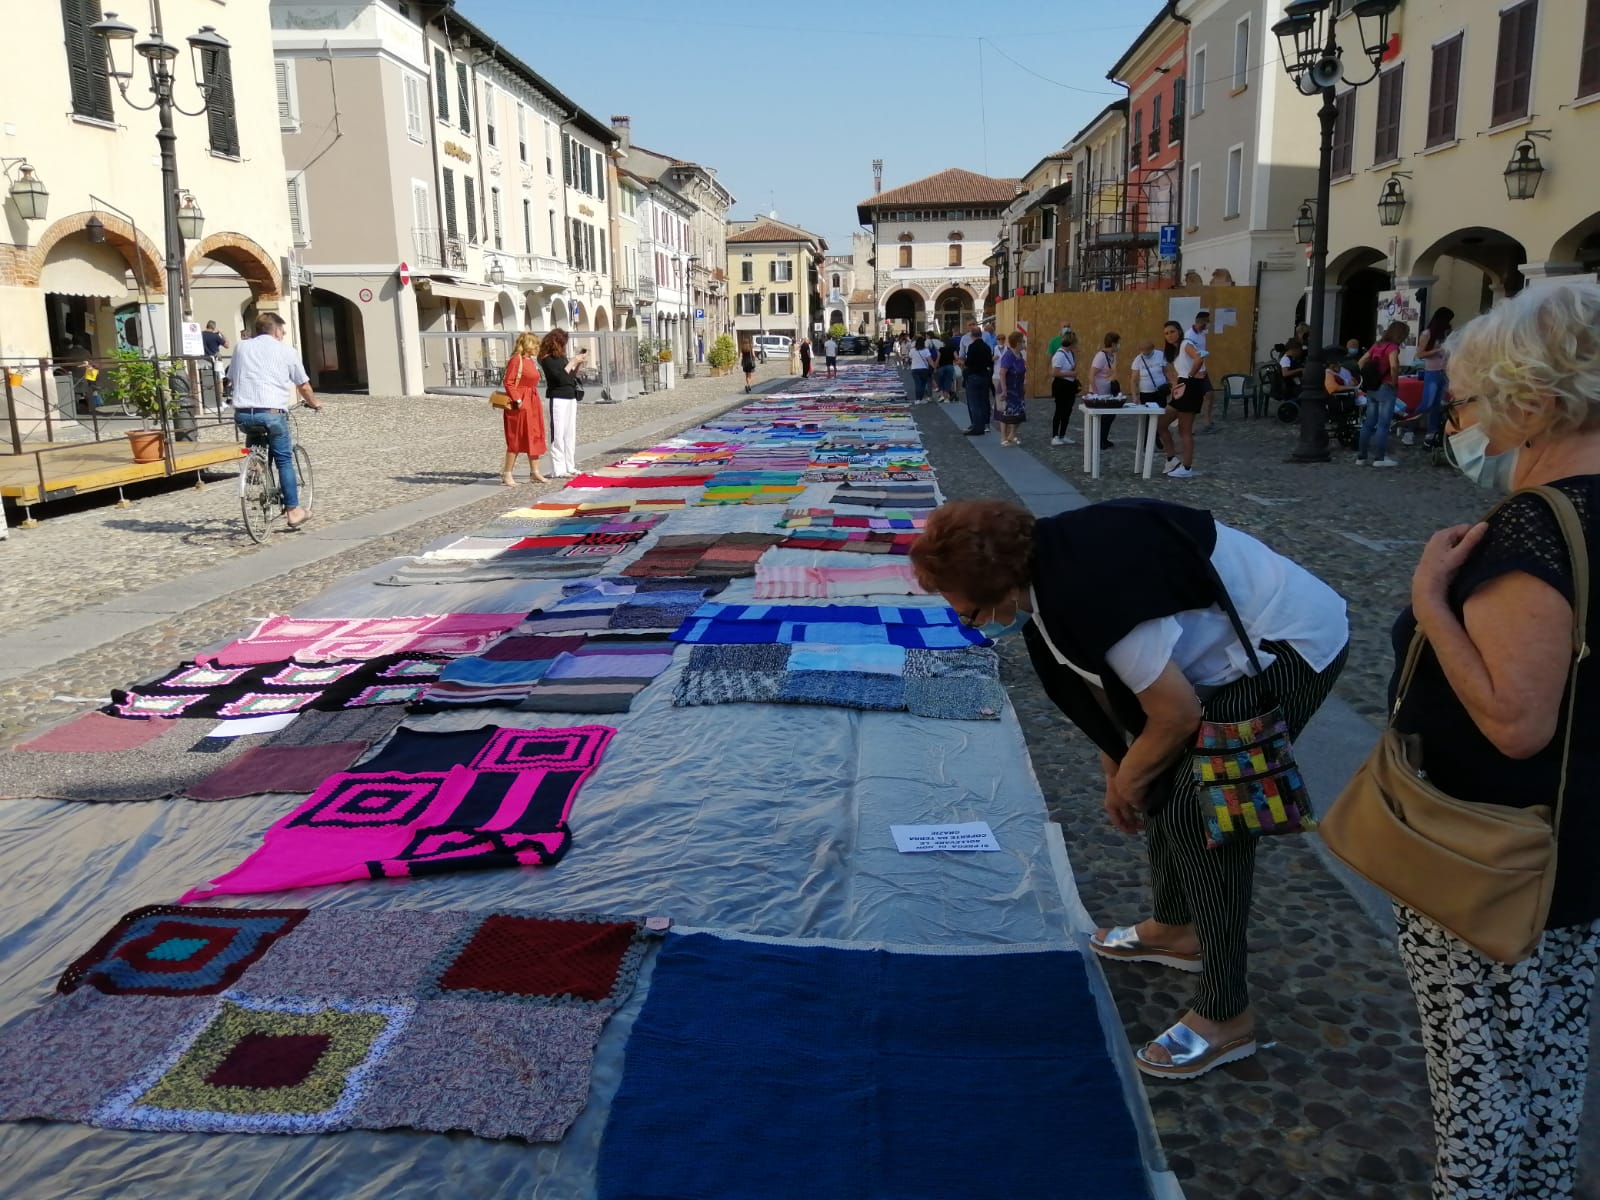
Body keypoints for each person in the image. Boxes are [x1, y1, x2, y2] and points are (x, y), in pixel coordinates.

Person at [910, 497, 1348, 1080]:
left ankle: (1227, 1012)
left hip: (1288, 645)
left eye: (970, 615)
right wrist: (1118, 763)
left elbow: (1173, 714)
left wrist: (1127, 782)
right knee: (1164, 780)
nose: (973, 627)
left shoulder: (1086, 591)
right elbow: (1108, 688)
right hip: (1211, 660)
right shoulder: (1044, 568)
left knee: (1208, 811)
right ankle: (1178, 928)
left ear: (1005, 589)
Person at [1387, 281, 1600, 1198]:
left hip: (1491, 853)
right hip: (1575, 841)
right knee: (1550, 1071)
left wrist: (1431, 604)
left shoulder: (1538, 527)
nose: (1459, 419)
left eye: (1469, 400)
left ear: (1535, 398)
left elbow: (1515, 721)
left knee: (1479, 1081)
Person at [227, 312, 322, 529]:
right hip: (272, 414)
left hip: (243, 414)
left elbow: (231, 377)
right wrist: (314, 403)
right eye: (283, 332)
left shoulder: (241, 347)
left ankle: (256, 464)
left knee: (255, 430)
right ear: (277, 331)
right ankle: (294, 511)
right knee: (284, 460)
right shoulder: (287, 351)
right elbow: (304, 386)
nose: (283, 335)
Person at [498, 331, 547, 486]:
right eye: (536, 344)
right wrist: (517, 399)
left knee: (534, 435)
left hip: (532, 402)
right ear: (528, 345)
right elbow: (509, 382)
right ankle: (507, 473)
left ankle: (535, 471)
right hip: (520, 404)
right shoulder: (516, 360)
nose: (538, 347)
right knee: (516, 438)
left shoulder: (529, 360)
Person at [1356, 320, 1407, 468]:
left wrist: (1366, 377)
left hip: (1372, 388)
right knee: (1383, 424)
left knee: (1368, 423)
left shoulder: (1376, 346)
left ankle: (1362, 457)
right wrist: (1395, 381)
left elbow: (1360, 361)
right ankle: (1379, 458)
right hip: (1386, 387)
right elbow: (1394, 366)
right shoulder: (1392, 347)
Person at [537, 328, 586, 478]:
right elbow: (559, 377)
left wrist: (577, 364)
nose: (564, 345)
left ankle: (569, 465)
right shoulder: (546, 359)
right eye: (563, 342)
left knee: (569, 433)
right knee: (557, 434)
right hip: (557, 397)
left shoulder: (562, 357)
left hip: (570, 396)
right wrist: (572, 361)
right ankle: (558, 469)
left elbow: (569, 377)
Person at [1164, 321, 1204, 478]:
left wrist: (1190, 376)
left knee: (1184, 430)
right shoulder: (1175, 351)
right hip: (1181, 388)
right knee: (1161, 423)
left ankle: (1187, 468)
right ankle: (1172, 459)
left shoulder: (1185, 344)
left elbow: (1199, 358)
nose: (1169, 335)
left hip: (1190, 387)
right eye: (1166, 333)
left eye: (1172, 331)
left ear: (1179, 332)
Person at [1417, 306, 1456, 446]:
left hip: (1444, 372)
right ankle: (1408, 427)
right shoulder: (1427, 334)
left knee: (1439, 404)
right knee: (1428, 402)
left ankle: (1433, 431)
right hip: (1432, 372)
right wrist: (1439, 349)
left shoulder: (1446, 334)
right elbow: (1420, 354)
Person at [958, 321, 995, 437]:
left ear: (972, 336)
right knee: (984, 401)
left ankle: (977, 426)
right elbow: (990, 361)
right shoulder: (986, 347)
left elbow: (968, 362)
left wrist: (962, 362)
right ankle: (985, 424)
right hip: (985, 375)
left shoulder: (972, 347)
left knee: (974, 402)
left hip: (973, 376)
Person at [1183, 312, 1215, 433]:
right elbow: (1188, 354)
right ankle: (1188, 426)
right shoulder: (1189, 336)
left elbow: (1201, 352)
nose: (1208, 324)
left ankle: (1207, 421)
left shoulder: (1201, 334)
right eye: (1207, 321)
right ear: (1201, 321)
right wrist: (1194, 372)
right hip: (1193, 371)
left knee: (1210, 394)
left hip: (1201, 369)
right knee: (1193, 399)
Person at [996, 330, 1027, 446]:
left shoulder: (1020, 355)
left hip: (1018, 388)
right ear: (1017, 343)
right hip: (1008, 388)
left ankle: (1012, 434)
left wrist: (1024, 384)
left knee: (1019, 413)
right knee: (1006, 414)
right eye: (1023, 341)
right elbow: (1002, 373)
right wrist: (1004, 390)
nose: (1024, 343)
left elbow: (1023, 372)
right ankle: (1003, 437)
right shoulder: (1008, 355)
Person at [1091, 332, 1121, 452]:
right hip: (1100, 392)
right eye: (1118, 343)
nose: (1119, 346)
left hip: (1108, 391)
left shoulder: (1111, 356)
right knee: (1103, 417)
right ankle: (1099, 440)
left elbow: (1112, 371)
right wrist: (1095, 392)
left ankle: (1104, 439)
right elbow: (1091, 374)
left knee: (1110, 416)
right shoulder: (1101, 356)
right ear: (1113, 343)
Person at [1049, 330, 1080, 447]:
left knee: (1068, 411)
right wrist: (1070, 374)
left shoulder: (1070, 353)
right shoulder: (1059, 355)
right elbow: (1055, 373)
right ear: (1071, 343)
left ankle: (1063, 434)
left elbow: (1072, 367)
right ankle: (1055, 436)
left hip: (1070, 386)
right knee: (1060, 410)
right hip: (1061, 385)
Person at [908, 334, 934, 402]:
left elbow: (910, 357)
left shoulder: (913, 350)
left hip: (914, 369)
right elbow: (930, 360)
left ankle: (917, 399)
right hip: (924, 369)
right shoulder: (926, 350)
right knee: (923, 384)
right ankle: (921, 398)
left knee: (917, 384)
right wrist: (934, 367)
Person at [935, 332, 959, 402]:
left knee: (941, 381)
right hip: (950, 366)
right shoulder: (952, 349)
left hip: (942, 367)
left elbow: (938, 359)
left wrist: (935, 367)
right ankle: (946, 398)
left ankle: (942, 395)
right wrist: (955, 361)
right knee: (948, 381)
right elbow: (957, 358)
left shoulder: (941, 349)